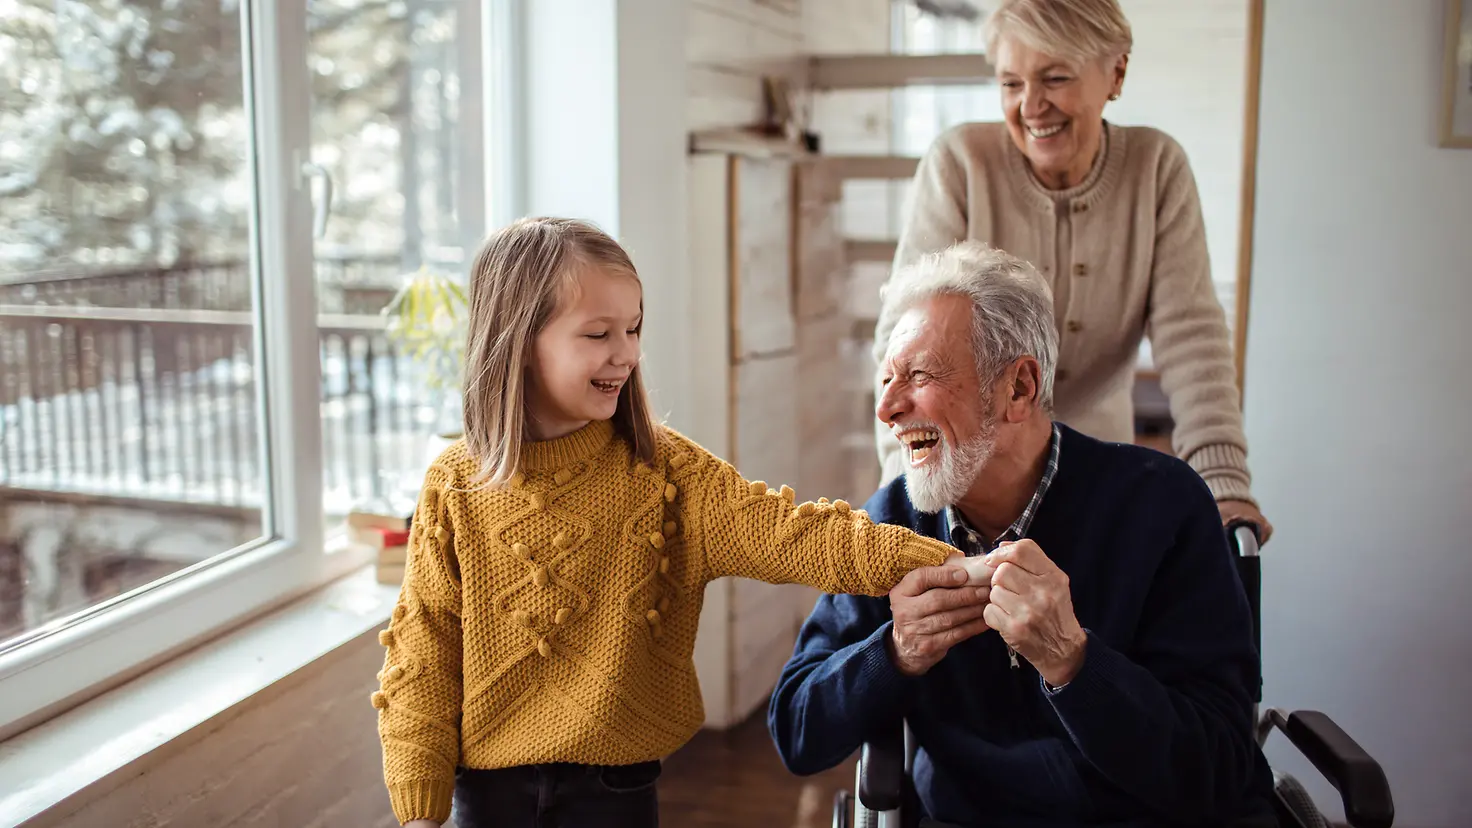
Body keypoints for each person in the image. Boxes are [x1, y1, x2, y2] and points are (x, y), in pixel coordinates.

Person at [372, 217, 965, 828]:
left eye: (632, 329)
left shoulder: (669, 473)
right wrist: (420, 812)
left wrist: (949, 564)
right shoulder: (454, 485)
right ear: (520, 342)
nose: (626, 353)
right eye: (599, 333)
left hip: (615, 796)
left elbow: (797, 536)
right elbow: (422, 660)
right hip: (484, 798)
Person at [771, 242, 1275, 827]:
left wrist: (1075, 663)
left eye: (919, 375)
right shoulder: (888, 525)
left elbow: (1222, 768)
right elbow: (796, 730)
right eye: (886, 379)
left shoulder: (1164, 506)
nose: (886, 408)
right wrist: (895, 652)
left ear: (1018, 388)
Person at [872, 0, 1273, 540]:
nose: (1031, 106)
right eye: (1011, 84)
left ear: (1116, 72)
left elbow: (1192, 337)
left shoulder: (1157, 169)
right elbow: (904, 342)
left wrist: (1223, 482)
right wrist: (908, 502)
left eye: (1055, 78)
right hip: (973, 487)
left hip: (1099, 480)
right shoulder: (961, 162)